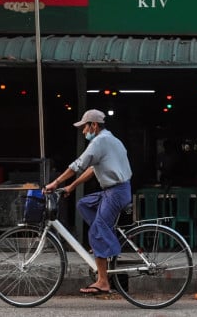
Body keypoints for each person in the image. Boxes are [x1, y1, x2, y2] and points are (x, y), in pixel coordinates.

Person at [45, 109, 132, 295]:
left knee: (98, 229)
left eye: (85, 127)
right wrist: (71, 187)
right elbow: (92, 169)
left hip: (116, 192)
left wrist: (56, 182)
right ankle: (103, 239)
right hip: (115, 190)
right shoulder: (110, 140)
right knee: (84, 204)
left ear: (93, 125)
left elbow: (78, 164)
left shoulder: (100, 141)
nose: (84, 131)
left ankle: (103, 281)